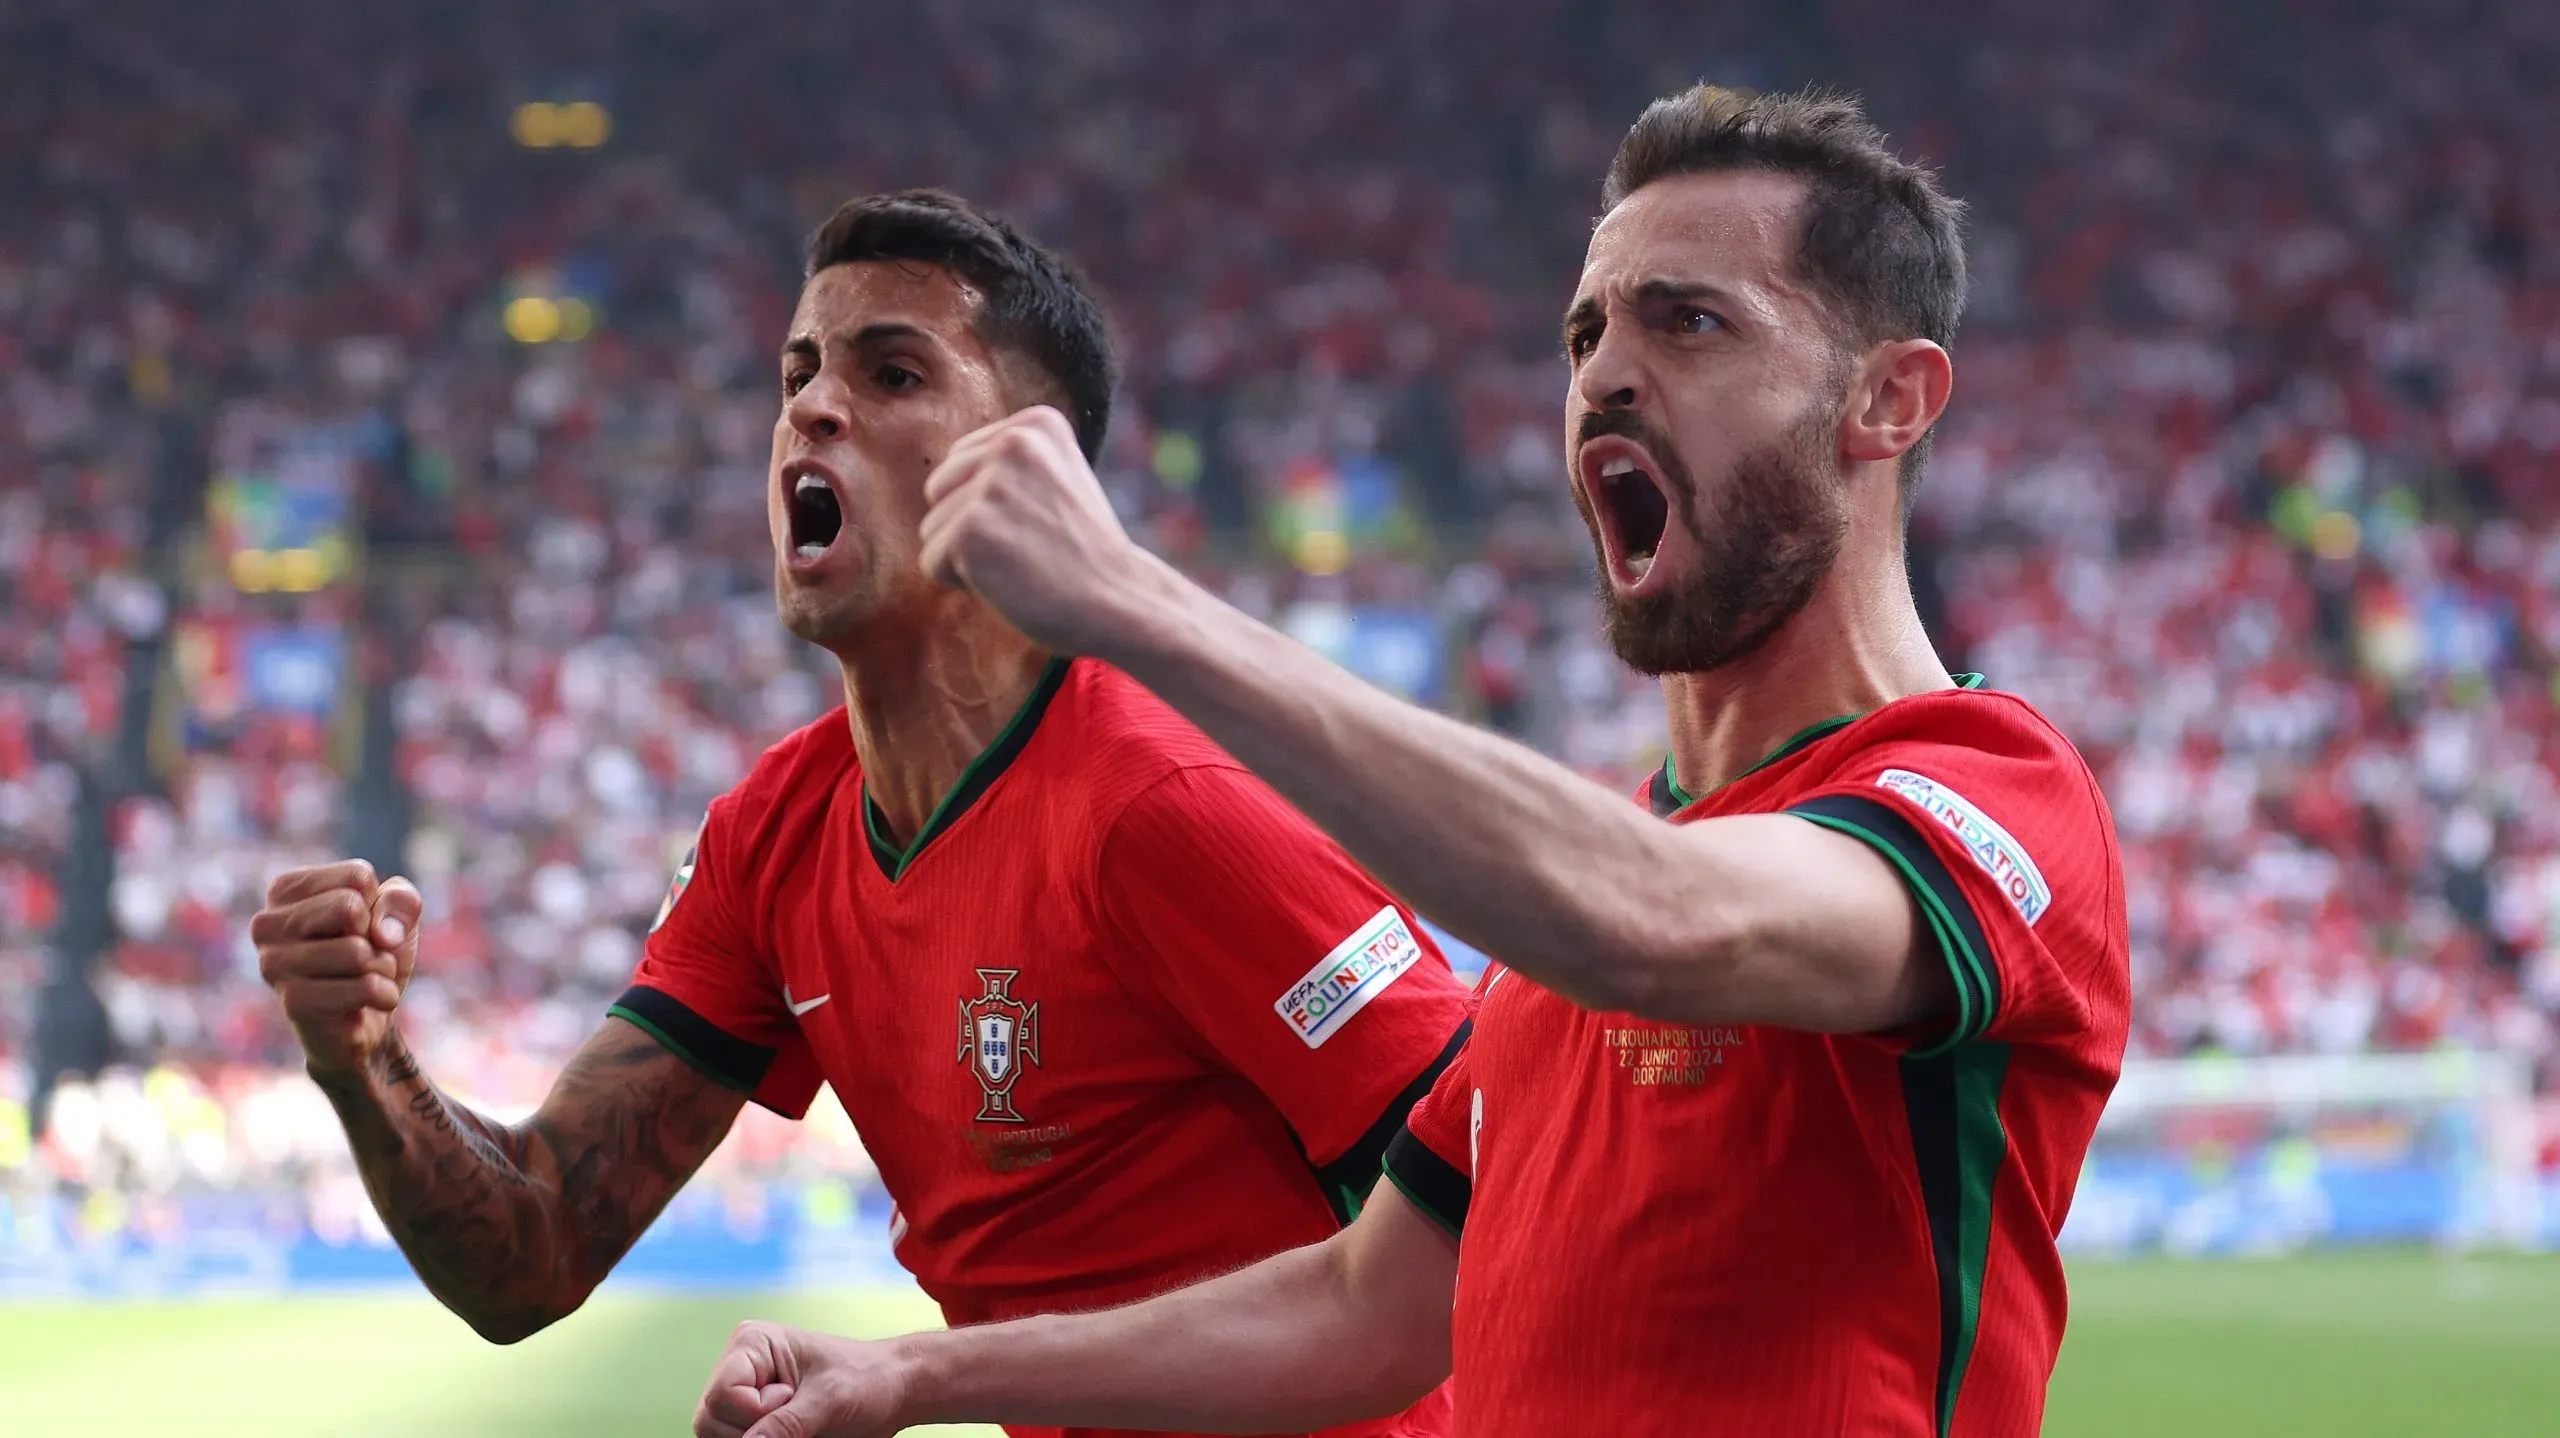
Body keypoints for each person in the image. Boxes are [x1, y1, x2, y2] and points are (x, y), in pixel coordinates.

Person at [693, 87, 2131, 1438]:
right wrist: (910, 1372)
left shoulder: (1988, 786)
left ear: (1889, 400)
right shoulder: (1558, 926)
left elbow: (1656, 915)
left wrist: (1133, 602)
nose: (1607, 377)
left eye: (1689, 323)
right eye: (1584, 337)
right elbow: (1358, 1307)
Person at [251, 189, 1467, 1438]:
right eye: (798, 372)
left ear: (1030, 471)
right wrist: (363, 1062)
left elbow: (1492, 1218)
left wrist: (928, 1377)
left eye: (892, 374)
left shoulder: (1166, 804)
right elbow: (535, 1246)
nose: (811, 409)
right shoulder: (771, 839)